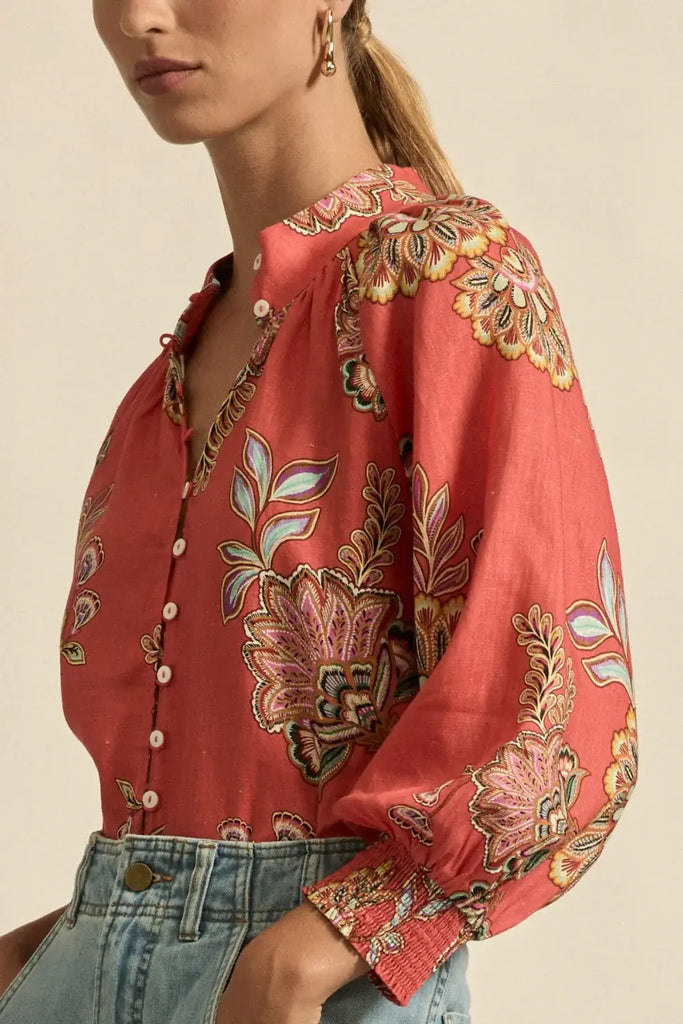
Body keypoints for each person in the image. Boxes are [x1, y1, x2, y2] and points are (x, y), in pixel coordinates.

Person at [0, 2, 638, 1022]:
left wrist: (299, 958)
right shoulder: (175, 369)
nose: (138, 17)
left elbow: (549, 715)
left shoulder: (450, 283)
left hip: (313, 988)